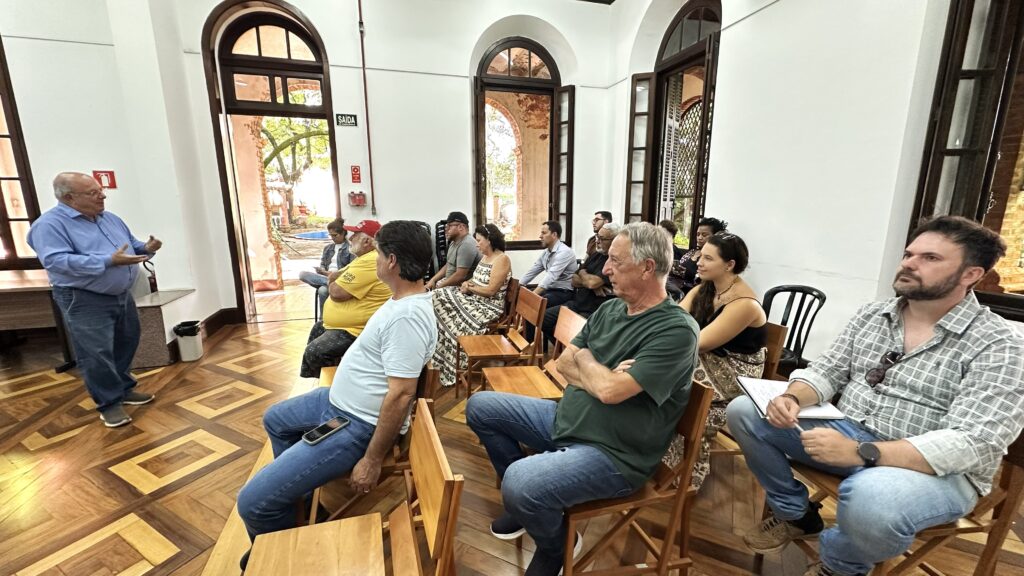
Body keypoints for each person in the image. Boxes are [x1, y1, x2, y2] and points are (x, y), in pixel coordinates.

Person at [726, 216, 1024, 576]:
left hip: (937, 470)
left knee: (872, 502)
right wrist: (793, 397)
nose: (909, 263)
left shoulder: (998, 343)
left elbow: (972, 442)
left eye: (930, 258)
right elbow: (828, 370)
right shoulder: (873, 313)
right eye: (909, 253)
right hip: (852, 433)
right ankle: (796, 514)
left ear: (970, 275)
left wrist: (862, 453)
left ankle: (839, 565)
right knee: (745, 410)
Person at [466, 222, 699, 576]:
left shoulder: (676, 330)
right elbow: (564, 364)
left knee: (520, 482)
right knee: (480, 406)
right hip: (567, 419)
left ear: (647, 268)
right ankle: (531, 510)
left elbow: (610, 391)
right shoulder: (611, 309)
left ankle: (554, 546)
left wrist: (588, 362)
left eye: (616, 262)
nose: (604, 269)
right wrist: (600, 369)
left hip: (614, 453)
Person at [236, 220, 437, 568]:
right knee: (276, 419)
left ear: (391, 261)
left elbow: (402, 395)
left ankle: (283, 555)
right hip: (336, 401)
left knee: (253, 502)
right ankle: (297, 507)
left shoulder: (408, 316)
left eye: (376, 252)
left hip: (356, 423)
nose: (372, 258)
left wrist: (372, 459)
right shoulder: (399, 301)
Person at [27, 172, 161, 428]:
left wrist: (147, 247)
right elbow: (56, 261)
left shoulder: (109, 218)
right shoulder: (49, 225)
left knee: (126, 342)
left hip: (121, 293)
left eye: (99, 190)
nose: (102, 195)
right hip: (83, 297)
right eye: (92, 192)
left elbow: (130, 244)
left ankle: (123, 388)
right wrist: (108, 261)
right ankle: (109, 404)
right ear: (68, 197)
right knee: (96, 353)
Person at [673, 231, 766, 490]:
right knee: (665, 370)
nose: (699, 262)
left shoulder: (745, 303)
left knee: (672, 376)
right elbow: (676, 319)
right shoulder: (706, 288)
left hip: (737, 372)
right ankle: (655, 456)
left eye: (707, 258)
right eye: (700, 256)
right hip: (709, 358)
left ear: (729, 265)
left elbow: (698, 343)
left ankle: (687, 471)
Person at [299, 220, 391, 378]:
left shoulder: (370, 261)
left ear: (367, 241)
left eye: (355, 234)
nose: (351, 237)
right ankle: (324, 384)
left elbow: (336, 292)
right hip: (347, 325)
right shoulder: (363, 258)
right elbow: (335, 276)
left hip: (356, 329)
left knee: (315, 352)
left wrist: (332, 280)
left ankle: (332, 389)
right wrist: (333, 279)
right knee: (317, 328)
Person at [432, 224, 513, 387]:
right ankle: (442, 355)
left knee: (440, 298)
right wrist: (467, 283)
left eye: (479, 241)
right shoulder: (485, 257)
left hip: (488, 307)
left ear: (489, 241)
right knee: (436, 296)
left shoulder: (502, 259)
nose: (477, 244)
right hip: (475, 300)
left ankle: (453, 360)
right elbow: (476, 280)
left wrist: (469, 288)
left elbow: (490, 291)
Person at [541, 222, 618, 346]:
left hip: (593, 309)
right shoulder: (596, 255)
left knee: (574, 330)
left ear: (615, 240)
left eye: (602, 239)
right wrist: (585, 278)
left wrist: (584, 276)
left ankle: (572, 350)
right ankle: (563, 349)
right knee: (543, 318)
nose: (597, 241)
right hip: (577, 303)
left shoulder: (614, 260)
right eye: (597, 237)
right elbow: (574, 279)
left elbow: (592, 283)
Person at [520, 220, 578, 310]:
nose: (540, 236)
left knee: (533, 302)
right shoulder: (546, 252)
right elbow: (533, 270)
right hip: (550, 290)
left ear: (554, 235)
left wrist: (533, 295)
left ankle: (530, 324)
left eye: (544, 233)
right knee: (520, 296)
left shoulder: (565, 252)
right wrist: (519, 285)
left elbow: (551, 276)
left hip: (563, 292)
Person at [298, 218, 354, 311]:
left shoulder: (350, 248)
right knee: (302, 274)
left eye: (335, 235)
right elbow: (323, 263)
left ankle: (323, 320)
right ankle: (330, 283)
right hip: (326, 277)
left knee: (322, 290)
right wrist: (322, 270)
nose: (332, 238)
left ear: (343, 233)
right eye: (330, 235)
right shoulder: (327, 248)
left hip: (340, 277)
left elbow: (351, 268)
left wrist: (333, 274)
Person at [666, 216, 728, 301]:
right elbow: (680, 266)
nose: (700, 237)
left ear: (715, 236)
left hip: (695, 296)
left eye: (704, 235)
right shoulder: (692, 252)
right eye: (698, 234)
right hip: (676, 291)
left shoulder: (715, 258)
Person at [426, 211, 481, 291]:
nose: (446, 229)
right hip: (449, 284)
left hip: (461, 288)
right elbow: (448, 264)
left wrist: (438, 288)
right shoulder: (454, 242)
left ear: (461, 227)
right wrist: (433, 280)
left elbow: (460, 276)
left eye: (449, 226)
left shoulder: (467, 244)